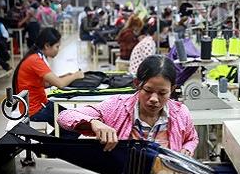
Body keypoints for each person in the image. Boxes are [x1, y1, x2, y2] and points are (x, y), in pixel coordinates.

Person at [57, 55, 198, 156]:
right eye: (148, 91)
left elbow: (192, 138)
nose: (154, 99)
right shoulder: (116, 107)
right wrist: (94, 123)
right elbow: (64, 116)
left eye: (162, 93)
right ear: (137, 84)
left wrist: (187, 148)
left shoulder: (180, 113)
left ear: (172, 90)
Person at [13, 28, 84, 138]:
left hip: (40, 104)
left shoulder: (37, 56)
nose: (58, 50)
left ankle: (47, 145)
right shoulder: (35, 60)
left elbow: (46, 83)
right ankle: (46, 146)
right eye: (57, 46)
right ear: (47, 46)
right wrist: (75, 75)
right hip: (35, 110)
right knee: (75, 125)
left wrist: (66, 76)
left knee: (74, 121)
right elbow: (60, 84)